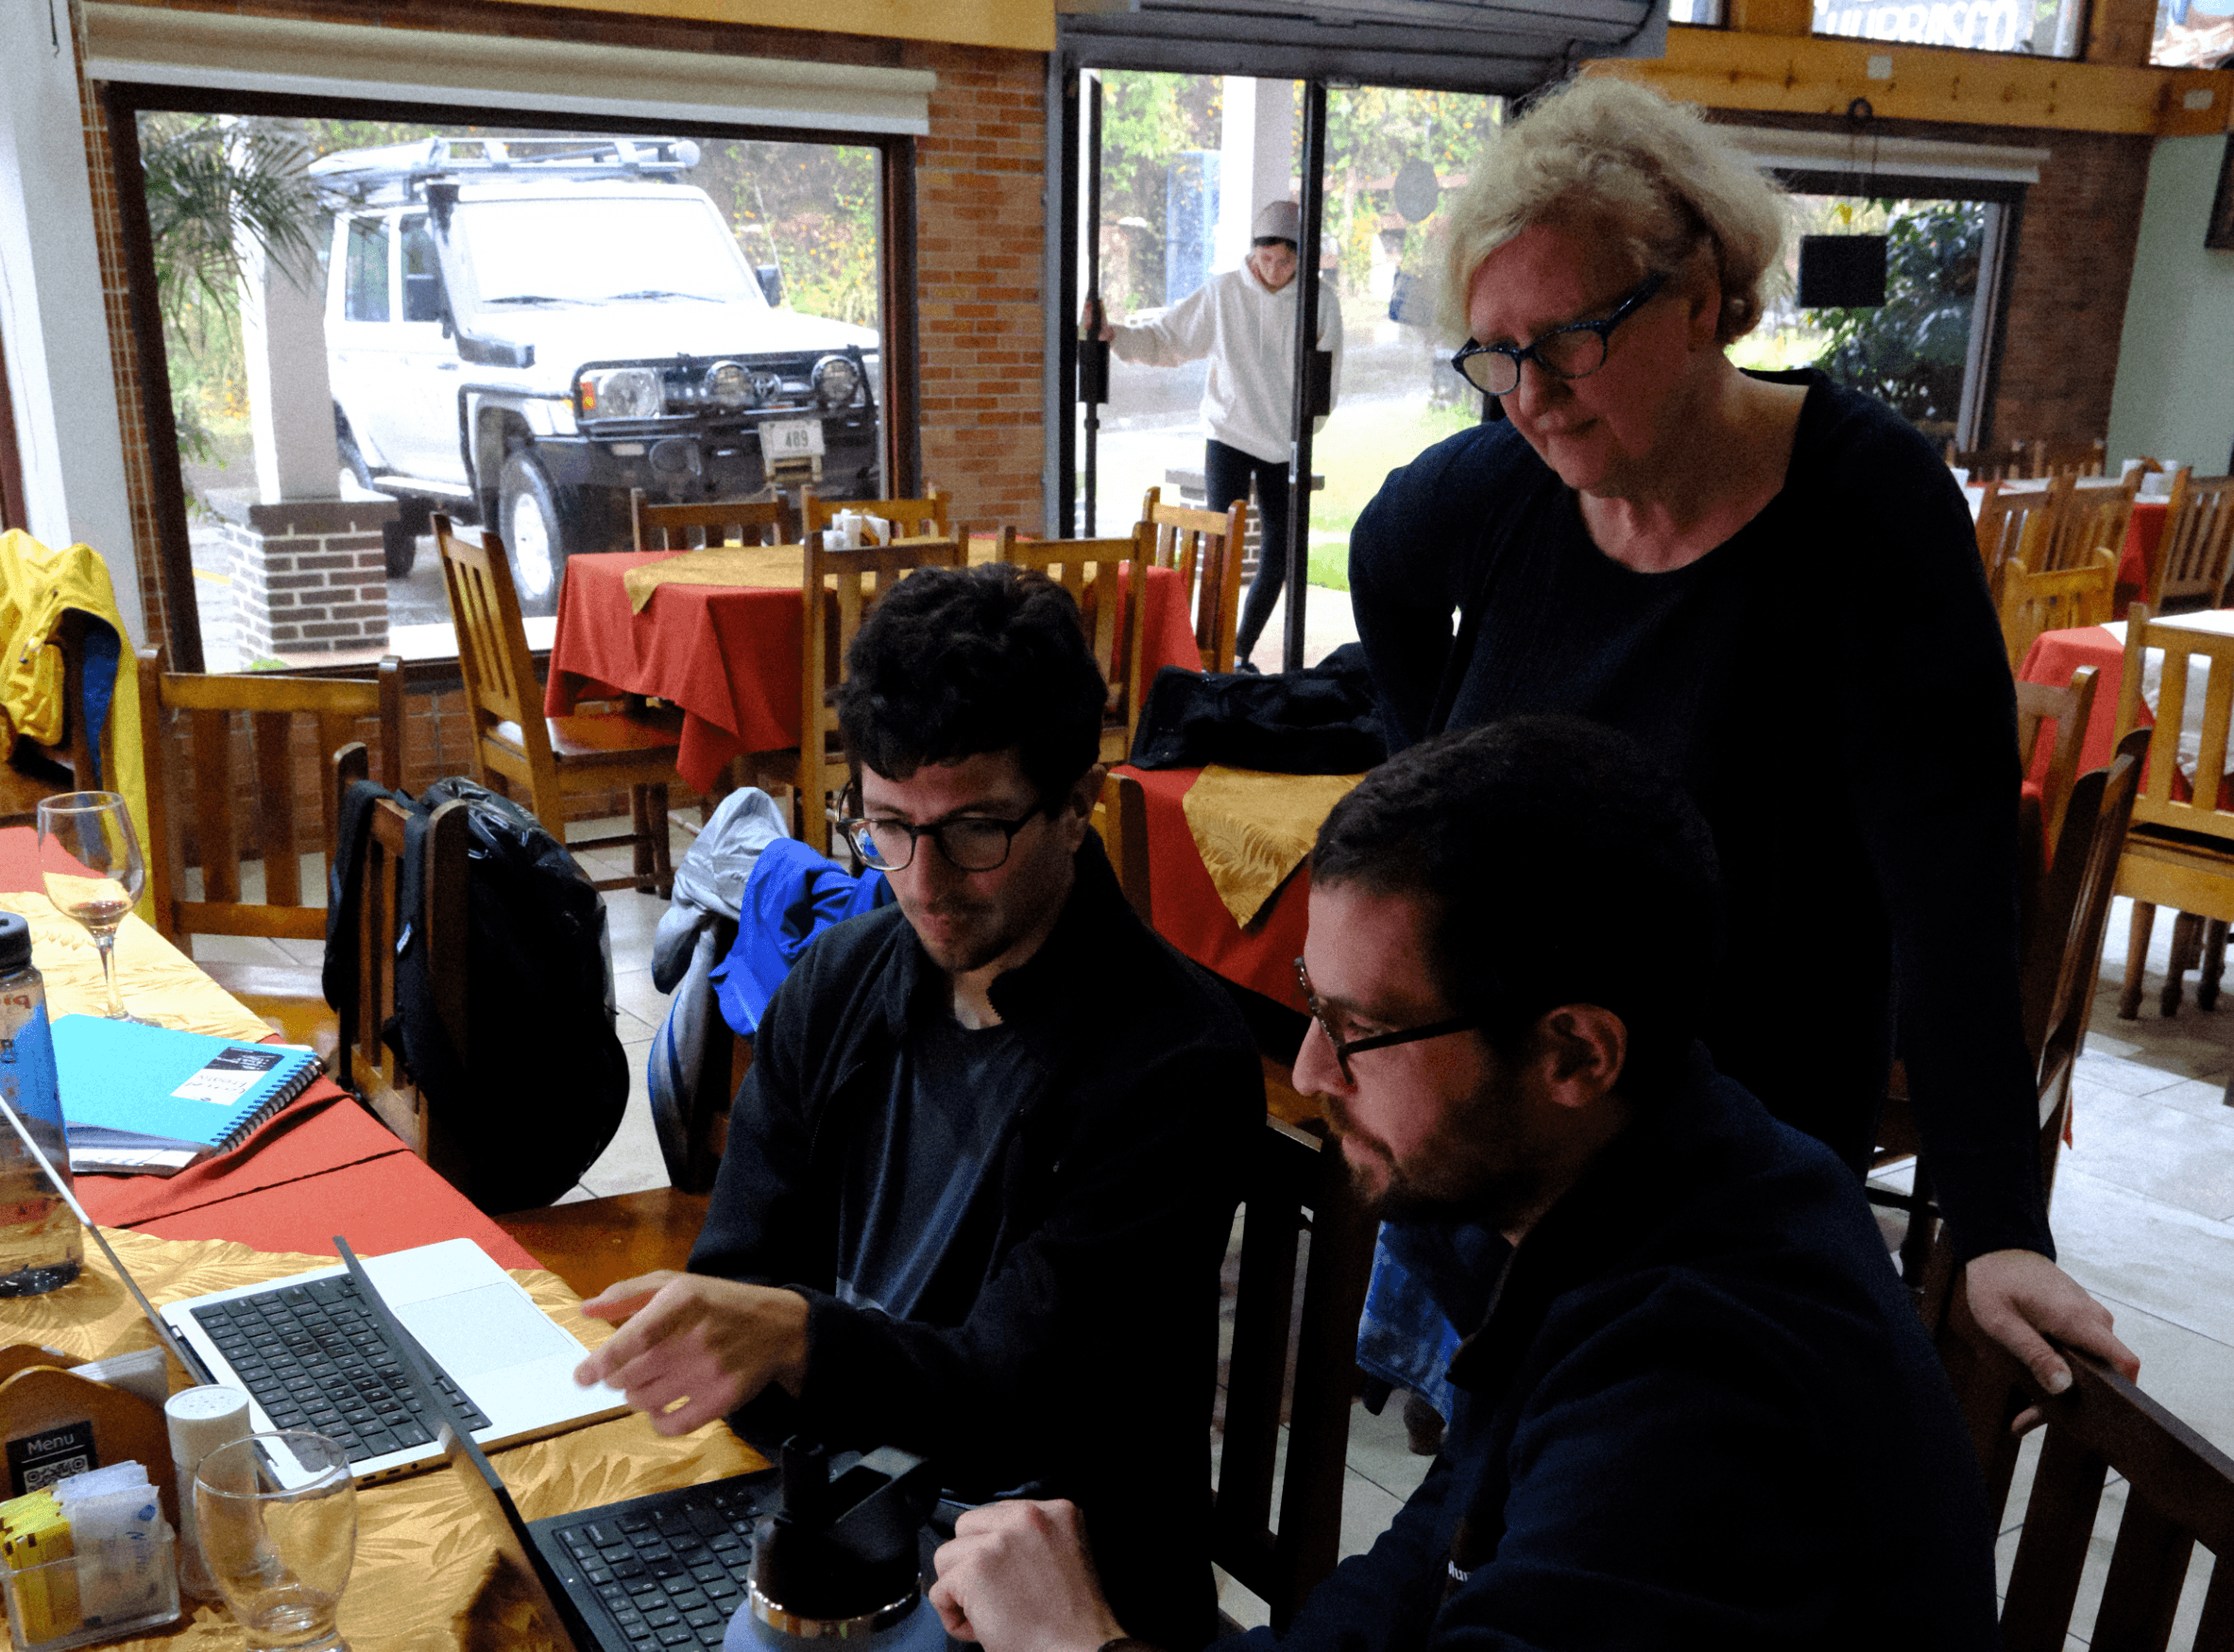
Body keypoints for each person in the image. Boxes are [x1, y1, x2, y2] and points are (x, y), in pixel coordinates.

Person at [1343, 74, 2134, 1396]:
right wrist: (1434, 773)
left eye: (1569, 340)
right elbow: (1382, 562)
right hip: (1523, 1136)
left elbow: (1951, 891)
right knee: (1499, 1459)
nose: (1529, 395)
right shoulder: (1504, 491)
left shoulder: (1865, 508)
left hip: (1741, 1147)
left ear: (1704, 299)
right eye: (1495, 352)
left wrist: (1999, 1223)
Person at [926, 715, 2003, 1652]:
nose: (1310, 1072)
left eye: (1359, 1029)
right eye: (1312, 1002)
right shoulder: (1629, 1183)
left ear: (1575, 1053)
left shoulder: (1700, 1388)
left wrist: (1076, 1642)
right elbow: (1423, 1564)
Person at [571, 562, 1262, 1650]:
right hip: (835, 1524)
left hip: (1057, 1591)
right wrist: (752, 1345)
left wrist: (797, 1341)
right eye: (888, 827)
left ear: (1076, 806)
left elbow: (1019, 1403)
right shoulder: (838, 983)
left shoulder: (1173, 1060)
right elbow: (742, 1277)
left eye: (977, 831)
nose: (925, 883)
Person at [1089, 199, 1344, 669]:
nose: (1275, 270)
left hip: (1286, 441)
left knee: (1282, 553)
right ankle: (1211, 650)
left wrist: (1305, 433)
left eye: (1286, 261)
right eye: (1266, 259)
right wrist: (1115, 336)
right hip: (1228, 432)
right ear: (1253, 252)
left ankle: (1240, 649)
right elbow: (1170, 338)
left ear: (1301, 258)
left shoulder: (1319, 301)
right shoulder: (1224, 293)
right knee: (1221, 545)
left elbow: (1325, 381)